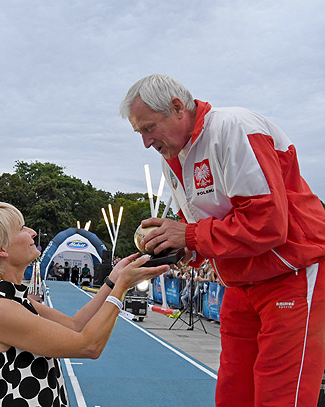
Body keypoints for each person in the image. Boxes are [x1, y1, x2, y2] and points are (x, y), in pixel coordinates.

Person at [120, 74, 325, 407]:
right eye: (139, 132)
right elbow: (202, 227)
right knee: (233, 395)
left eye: (148, 128)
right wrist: (177, 246)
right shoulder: (173, 156)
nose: (145, 142)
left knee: (281, 397)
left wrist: (187, 234)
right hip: (240, 282)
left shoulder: (233, 128)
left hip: (290, 274)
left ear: (176, 108)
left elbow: (268, 224)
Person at [0, 201, 167, 406]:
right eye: (21, 228)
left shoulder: (9, 299)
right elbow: (89, 345)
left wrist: (112, 281)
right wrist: (122, 287)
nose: (32, 232)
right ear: (0, 249)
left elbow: (76, 325)